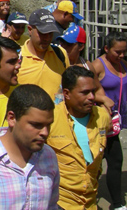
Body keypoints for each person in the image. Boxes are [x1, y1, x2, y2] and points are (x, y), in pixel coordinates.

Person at [47, 66, 110, 210]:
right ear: (67, 94)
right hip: (60, 203)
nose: (92, 97)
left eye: (93, 91)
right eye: (85, 93)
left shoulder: (102, 117)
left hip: (90, 203)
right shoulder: (51, 118)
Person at [91, 32, 127, 210]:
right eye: (117, 52)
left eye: (124, 52)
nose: (121, 56)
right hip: (99, 122)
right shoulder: (97, 66)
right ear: (106, 48)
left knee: (115, 161)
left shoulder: (123, 65)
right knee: (96, 162)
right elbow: (89, 89)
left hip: (115, 123)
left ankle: (117, 203)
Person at [17, 9, 69, 100]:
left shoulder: (61, 54)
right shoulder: (17, 58)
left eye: (50, 33)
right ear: (29, 29)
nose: (47, 38)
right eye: (42, 33)